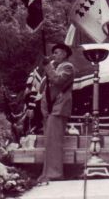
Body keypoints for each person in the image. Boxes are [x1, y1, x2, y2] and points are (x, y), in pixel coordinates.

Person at [36, 43, 75, 185]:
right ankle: (48, 173)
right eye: (54, 53)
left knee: (54, 143)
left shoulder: (68, 67)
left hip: (59, 108)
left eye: (57, 52)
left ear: (65, 54)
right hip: (51, 109)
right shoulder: (55, 67)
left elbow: (58, 81)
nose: (55, 55)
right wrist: (47, 68)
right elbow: (42, 88)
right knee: (49, 143)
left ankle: (54, 174)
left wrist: (49, 67)